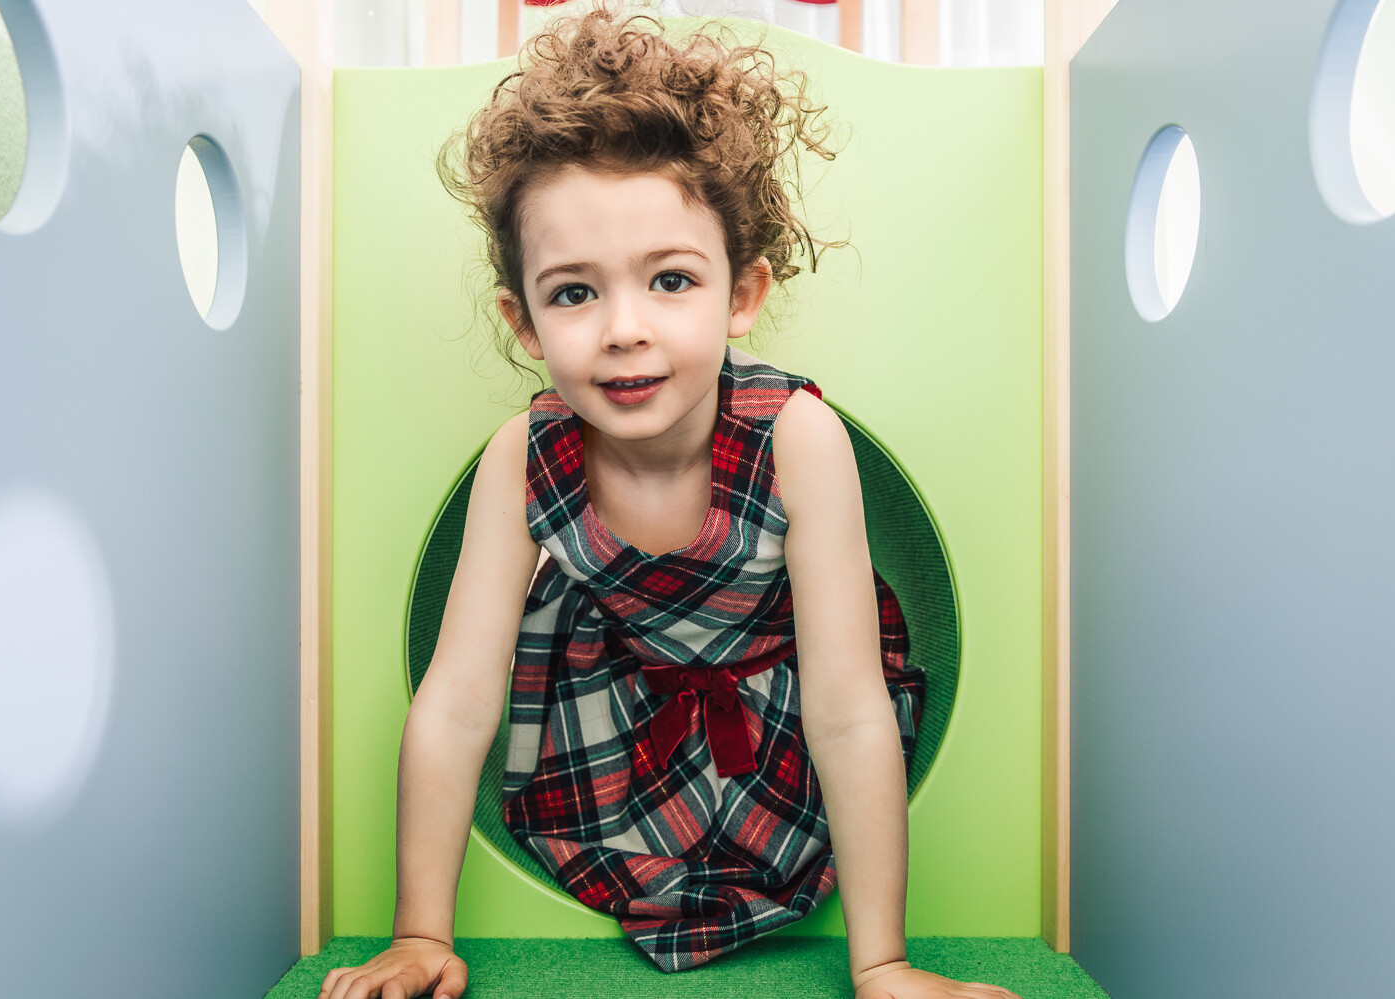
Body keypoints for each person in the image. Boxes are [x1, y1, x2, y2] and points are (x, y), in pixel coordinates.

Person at [320, 8, 1021, 999]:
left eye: (671, 281)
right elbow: (458, 698)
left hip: (779, 747)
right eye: (574, 294)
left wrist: (883, 965)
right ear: (522, 320)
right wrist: (418, 935)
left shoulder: (794, 437)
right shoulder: (524, 456)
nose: (624, 330)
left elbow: (851, 710)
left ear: (742, 295)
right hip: (608, 740)